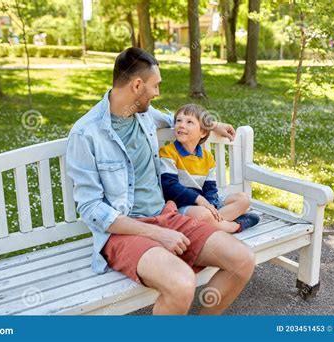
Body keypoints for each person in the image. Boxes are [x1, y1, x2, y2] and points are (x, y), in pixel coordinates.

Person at [66, 47, 255, 315]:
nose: (157, 93)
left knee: (242, 259)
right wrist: (156, 234)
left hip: (166, 215)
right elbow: (91, 210)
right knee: (181, 283)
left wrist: (213, 126)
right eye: (155, 86)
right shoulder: (86, 134)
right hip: (124, 231)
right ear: (137, 85)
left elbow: (176, 120)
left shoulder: (143, 113)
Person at [159, 104, 260, 233]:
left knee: (243, 199)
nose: (181, 125)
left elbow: (210, 188)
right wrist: (200, 201)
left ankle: (214, 221)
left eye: (189, 122)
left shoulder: (207, 157)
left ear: (203, 132)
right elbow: (170, 186)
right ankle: (234, 226)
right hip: (182, 205)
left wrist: (211, 204)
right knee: (204, 214)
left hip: (205, 203)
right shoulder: (168, 153)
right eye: (178, 120)